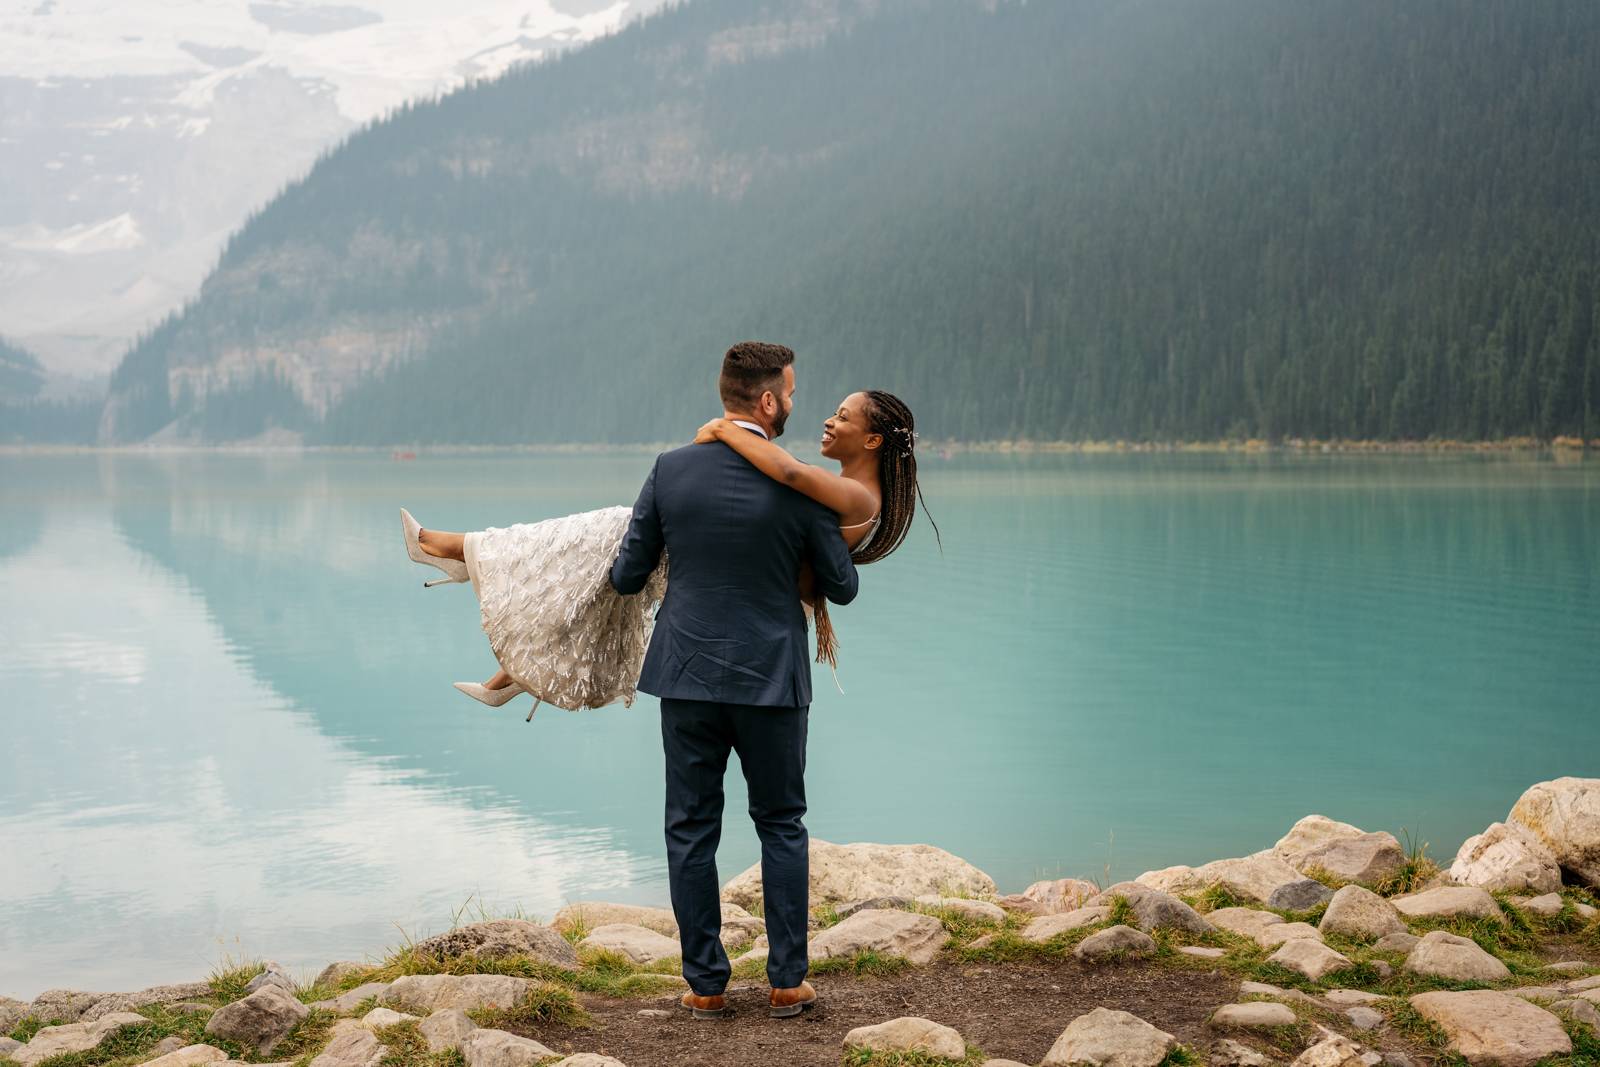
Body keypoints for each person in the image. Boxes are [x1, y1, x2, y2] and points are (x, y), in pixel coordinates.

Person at [610, 340, 856, 1019]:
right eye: (793, 393)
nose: (796, 404)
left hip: (685, 674)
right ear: (768, 400)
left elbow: (628, 574)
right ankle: (785, 980)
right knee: (780, 823)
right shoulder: (798, 484)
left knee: (690, 827)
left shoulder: (669, 470)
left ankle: (705, 983)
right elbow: (844, 584)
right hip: (771, 678)